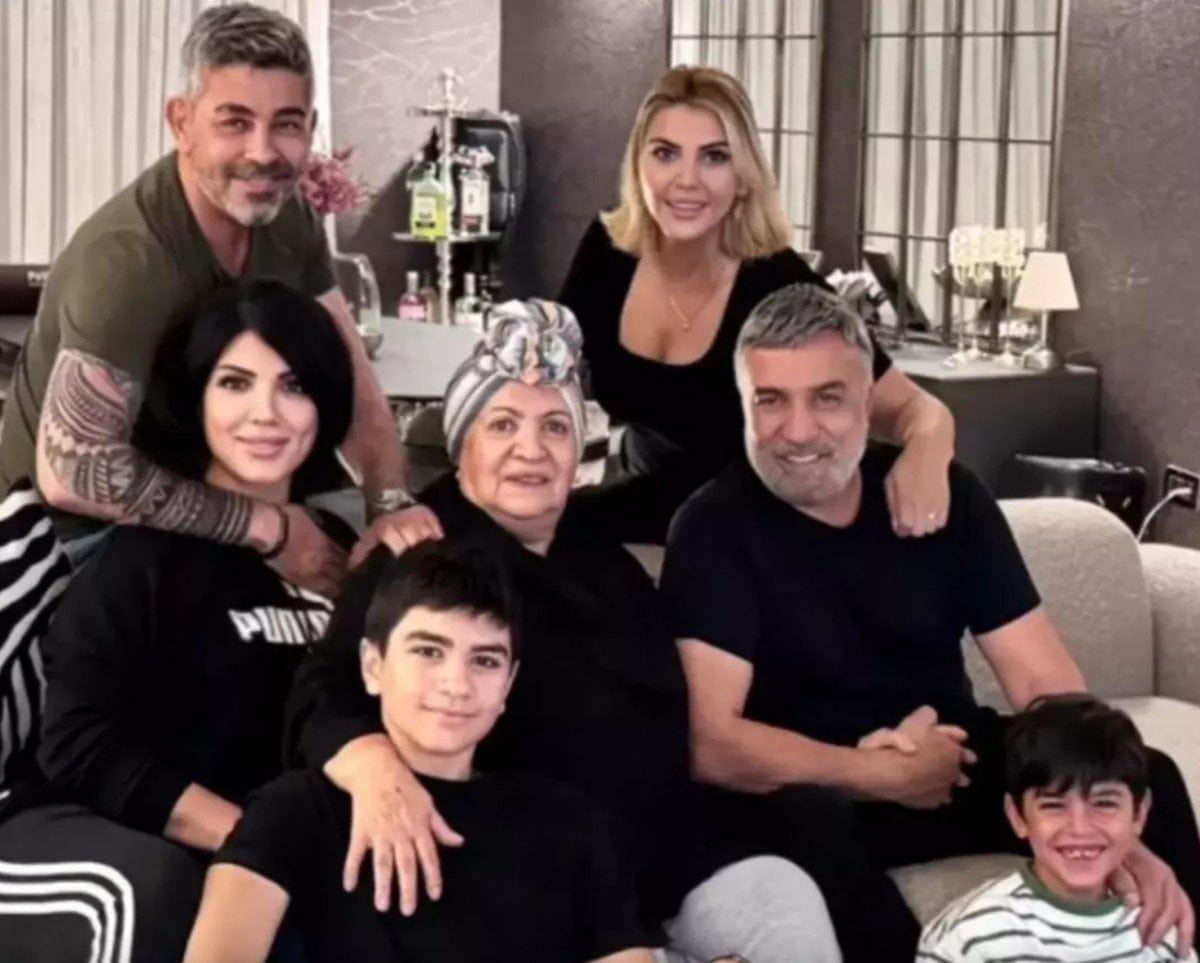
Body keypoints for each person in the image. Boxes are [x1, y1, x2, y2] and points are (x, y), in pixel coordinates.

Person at [286, 299, 841, 963]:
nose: (531, 449)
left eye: (555, 426)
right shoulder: (419, 549)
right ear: (462, 442)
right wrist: (374, 770)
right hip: (523, 881)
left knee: (787, 893)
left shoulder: (602, 556)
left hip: (662, 864)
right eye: (503, 424)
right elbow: (320, 695)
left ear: (580, 452)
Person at [659, 283, 1200, 963]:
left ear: (869, 403)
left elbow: (1044, 684)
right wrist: (871, 772)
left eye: (827, 398)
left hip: (951, 763)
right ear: (743, 404)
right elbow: (713, 743)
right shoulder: (712, 527)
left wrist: (1116, 826)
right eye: (771, 400)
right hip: (811, 783)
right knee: (806, 818)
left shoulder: (945, 496)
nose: (797, 430)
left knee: (1150, 774)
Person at [0, 3, 437, 595]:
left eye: (286, 124)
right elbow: (76, 474)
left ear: (310, 127)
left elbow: (349, 368)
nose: (262, 152)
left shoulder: (288, 217)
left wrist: (388, 504)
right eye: (235, 122)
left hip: (205, 518)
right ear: (181, 123)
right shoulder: (129, 260)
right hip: (65, 548)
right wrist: (270, 530)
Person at [0, 279, 356, 962]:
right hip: (118, 836)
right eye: (234, 383)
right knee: (159, 892)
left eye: (293, 386)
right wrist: (254, 839)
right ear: (196, 398)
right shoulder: (145, 558)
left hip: (279, 845)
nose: (265, 413)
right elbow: (76, 744)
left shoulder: (338, 548)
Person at [184, 539, 658, 963]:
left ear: (508, 684)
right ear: (372, 665)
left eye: (485, 660)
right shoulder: (295, 812)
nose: (457, 684)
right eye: (429, 651)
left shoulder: (570, 823)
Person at [560, 65, 955, 544]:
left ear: (743, 178)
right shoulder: (608, 252)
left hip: (749, 522)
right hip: (642, 491)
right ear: (638, 165)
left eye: (714, 157)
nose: (686, 180)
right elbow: (544, 375)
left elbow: (917, 409)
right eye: (665, 153)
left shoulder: (779, 282)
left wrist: (928, 453)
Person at [919, 695, 1197, 962]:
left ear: (1139, 812)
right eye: (1053, 806)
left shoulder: (1161, 933)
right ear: (1017, 816)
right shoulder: (968, 938)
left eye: (1104, 803)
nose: (1079, 828)